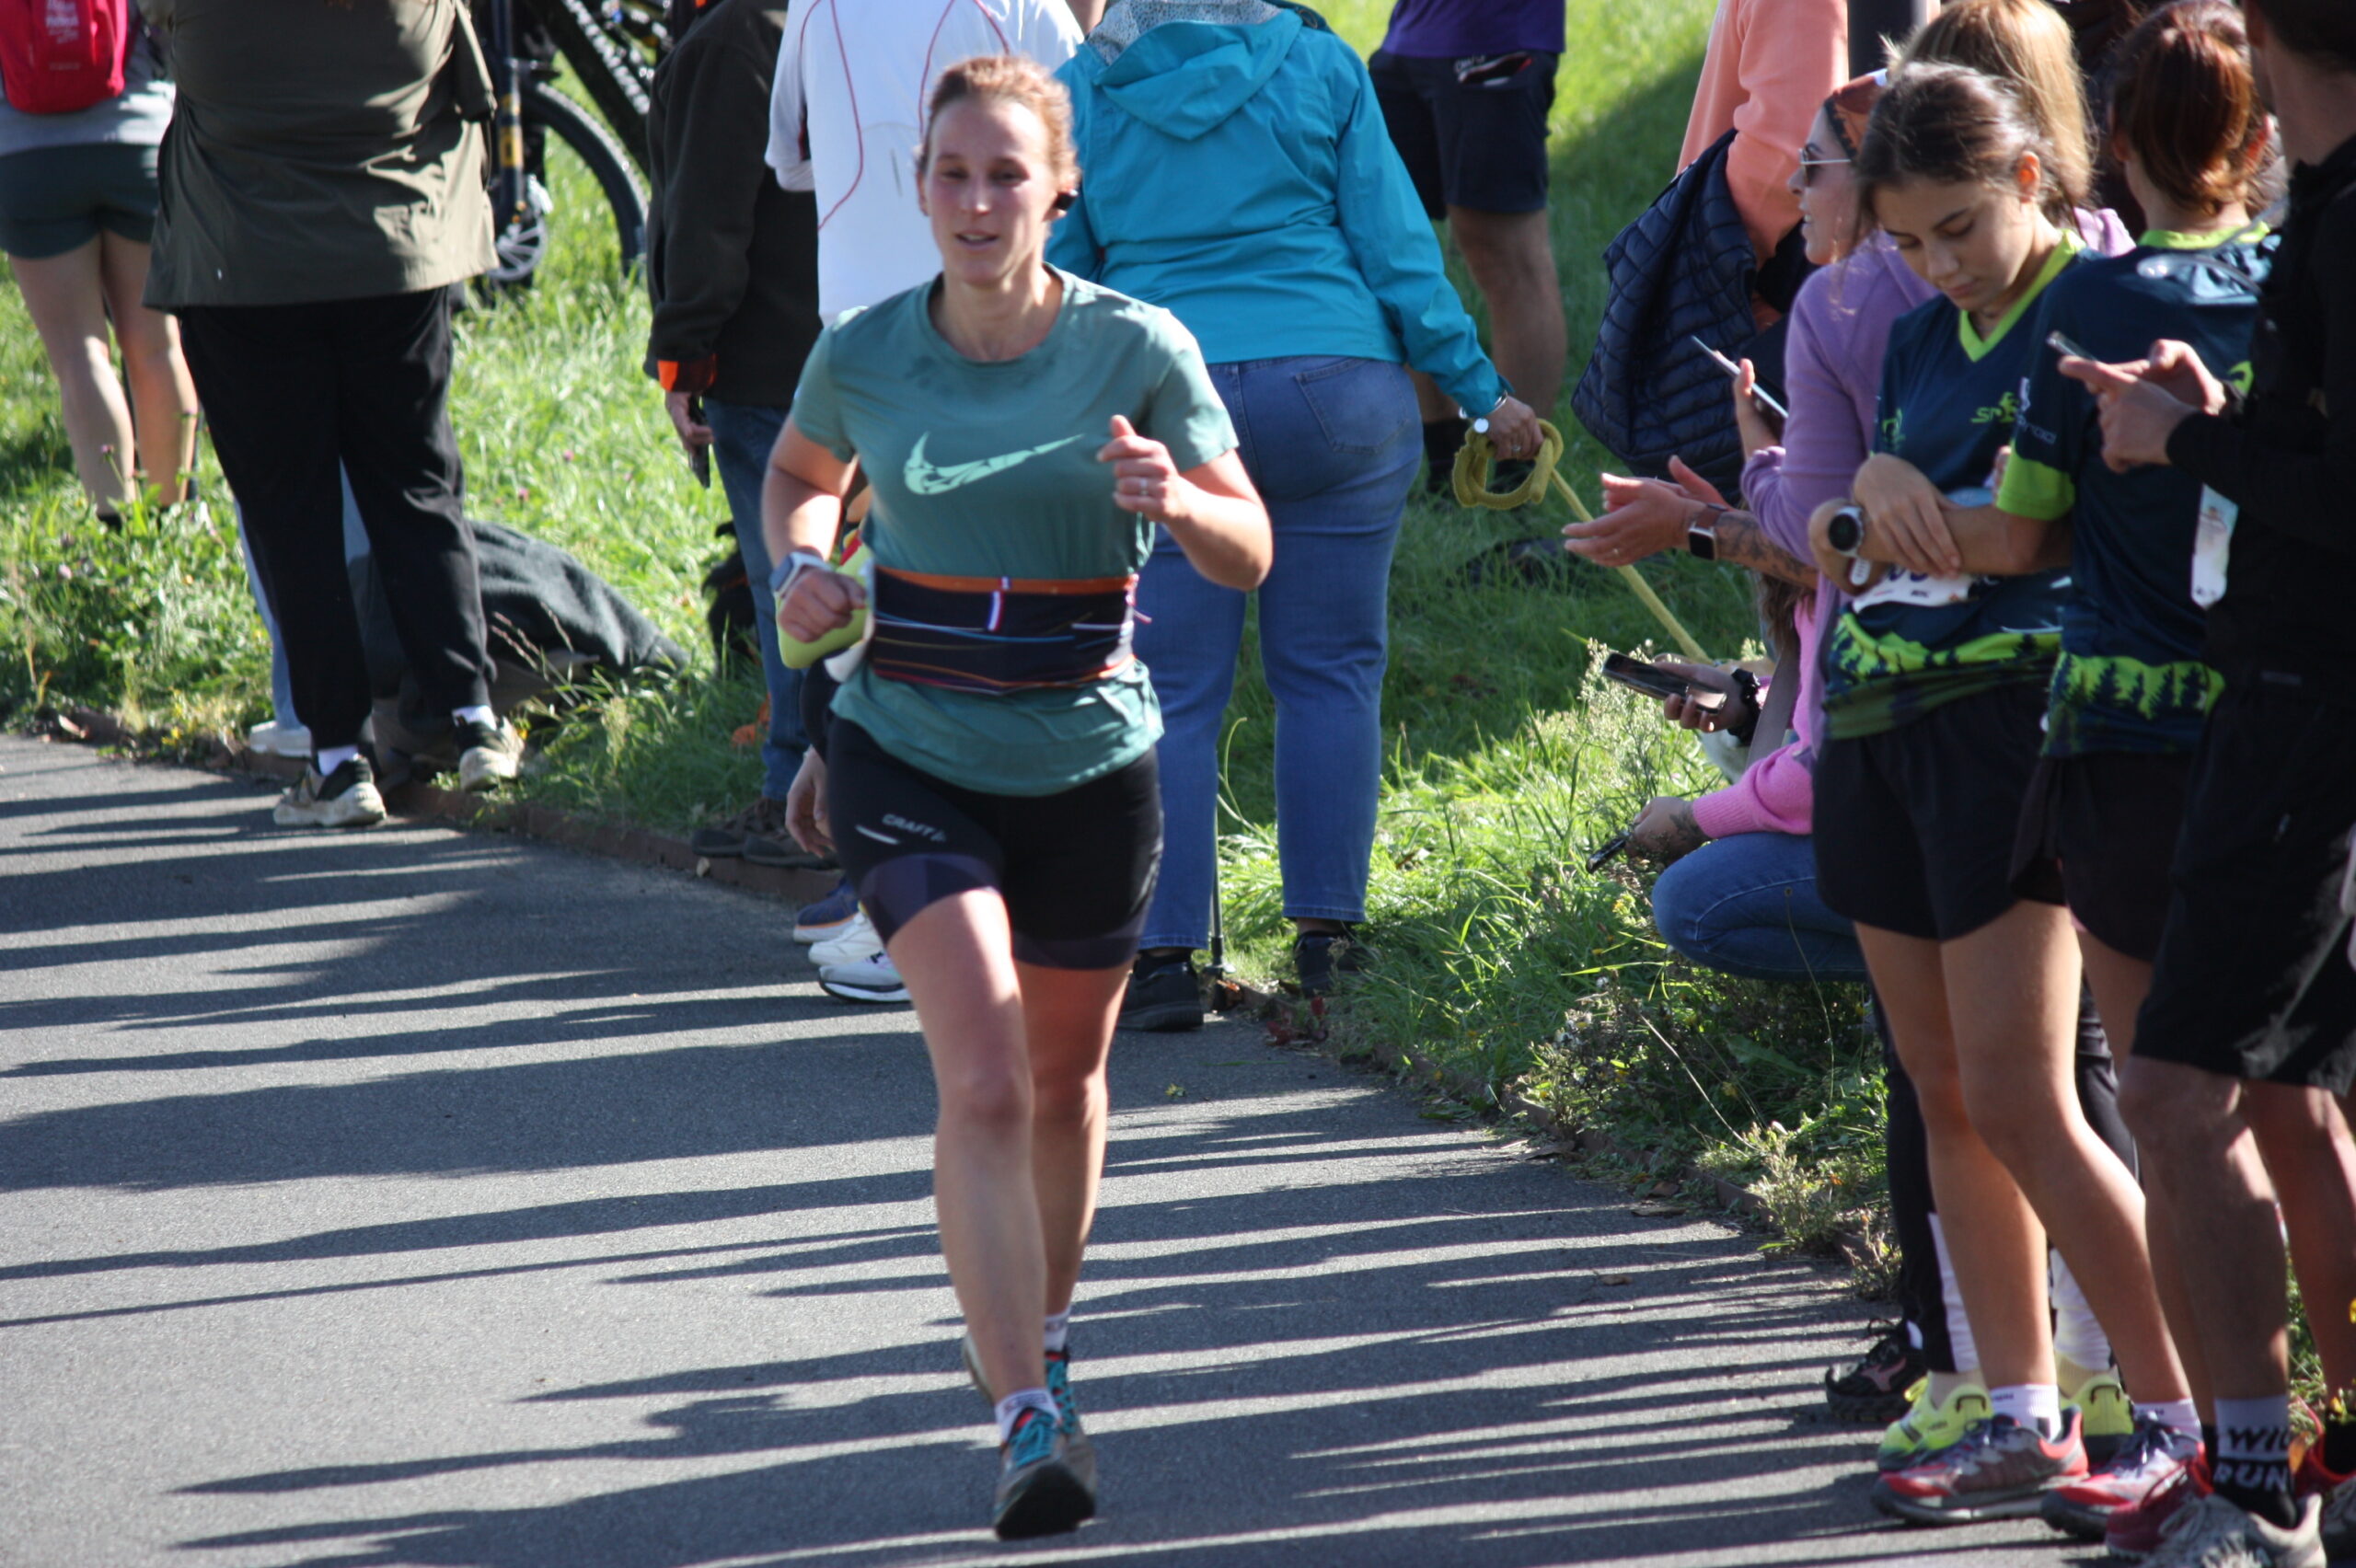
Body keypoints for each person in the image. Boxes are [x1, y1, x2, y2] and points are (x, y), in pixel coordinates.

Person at [762, 55, 1270, 1537]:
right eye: (952, 174)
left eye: (1006, 175)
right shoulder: (865, 348)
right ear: (919, 186)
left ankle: (1042, 1335)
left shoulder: (1137, 347)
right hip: (906, 745)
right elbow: (801, 469)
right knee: (982, 1075)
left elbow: (1250, 546)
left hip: (1090, 760)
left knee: (1063, 1085)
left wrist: (1180, 500)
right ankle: (1025, 1414)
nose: (976, 202)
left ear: (1060, 190)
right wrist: (805, 559)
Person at [1837, 4, 2273, 1543]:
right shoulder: (1909, 336)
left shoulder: (2090, 300)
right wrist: (1863, 492)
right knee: (1947, 1090)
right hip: (1879, 717)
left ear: (2032, 175)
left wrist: (1875, 506)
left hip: (2019, 716)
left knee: (2034, 1095)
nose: (1941, 266)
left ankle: (2177, 1417)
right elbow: (1863, 520)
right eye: (1909, 243)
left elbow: (2033, 534)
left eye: (1960, 227)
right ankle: (2020, 1409)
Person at [1045, 0, 1538, 1029]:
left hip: (1169, 400)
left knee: (1169, 688)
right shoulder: (1316, 60)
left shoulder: (1084, 85)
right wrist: (1482, 394)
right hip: (1336, 388)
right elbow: (1398, 254)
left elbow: (1067, 275)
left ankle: (1164, 958)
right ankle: (1329, 943)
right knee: (1331, 671)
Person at [2062, 0, 2356, 1560]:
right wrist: (2229, 418)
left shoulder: (2348, 222)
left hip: (2305, 714)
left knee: (2181, 1093)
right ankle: (2322, 1461)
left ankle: (2258, 1487)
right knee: (2291, 1094)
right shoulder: (2327, 213)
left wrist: (2184, 441)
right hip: (2276, 700)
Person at [764, 0, 1084, 993]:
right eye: (948, 173)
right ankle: (912, 902)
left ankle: (932, 903)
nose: (972, 193)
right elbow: (1085, 140)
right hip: (937, 335)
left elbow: (790, 160)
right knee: (904, 618)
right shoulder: (1027, 8)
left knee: (915, 618)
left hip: (905, 332)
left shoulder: (815, 6)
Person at [142, 0, 519, 829]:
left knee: (292, 514)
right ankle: (473, 719)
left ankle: (339, 761)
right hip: (396, 248)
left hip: (243, 264)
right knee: (418, 485)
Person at [646, 0, 827, 870]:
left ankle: (796, 793)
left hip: (760, 364)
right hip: (832, 348)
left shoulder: (732, 36)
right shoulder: (821, 19)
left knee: (790, 590)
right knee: (825, 583)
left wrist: (681, 356)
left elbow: (708, 215)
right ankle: (819, 788)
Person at [0, 13, 194, 521]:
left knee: (80, 356)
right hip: (140, 139)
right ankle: (173, 522)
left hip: (27, 153)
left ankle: (115, 531)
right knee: (158, 345)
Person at [1366, 0, 1567, 488]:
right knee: (1392, 248)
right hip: (1408, 40)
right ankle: (1445, 468)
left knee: (1503, 256)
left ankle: (1517, 474)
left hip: (1496, 36)